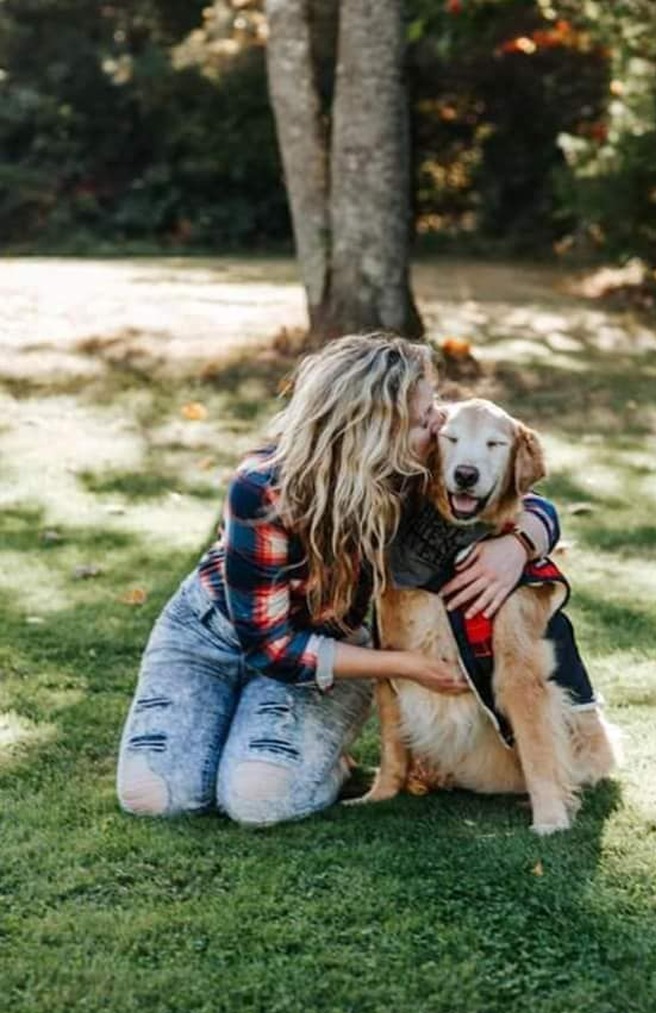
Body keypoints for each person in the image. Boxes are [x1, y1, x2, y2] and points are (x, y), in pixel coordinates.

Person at [116, 333, 592, 828]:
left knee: (256, 799)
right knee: (155, 796)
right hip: (206, 637)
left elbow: (531, 499)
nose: (440, 421)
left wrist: (518, 546)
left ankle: (310, 755)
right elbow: (271, 648)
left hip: (331, 652)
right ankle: (246, 728)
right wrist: (408, 665)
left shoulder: (414, 468)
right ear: (372, 427)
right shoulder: (262, 490)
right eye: (426, 414)